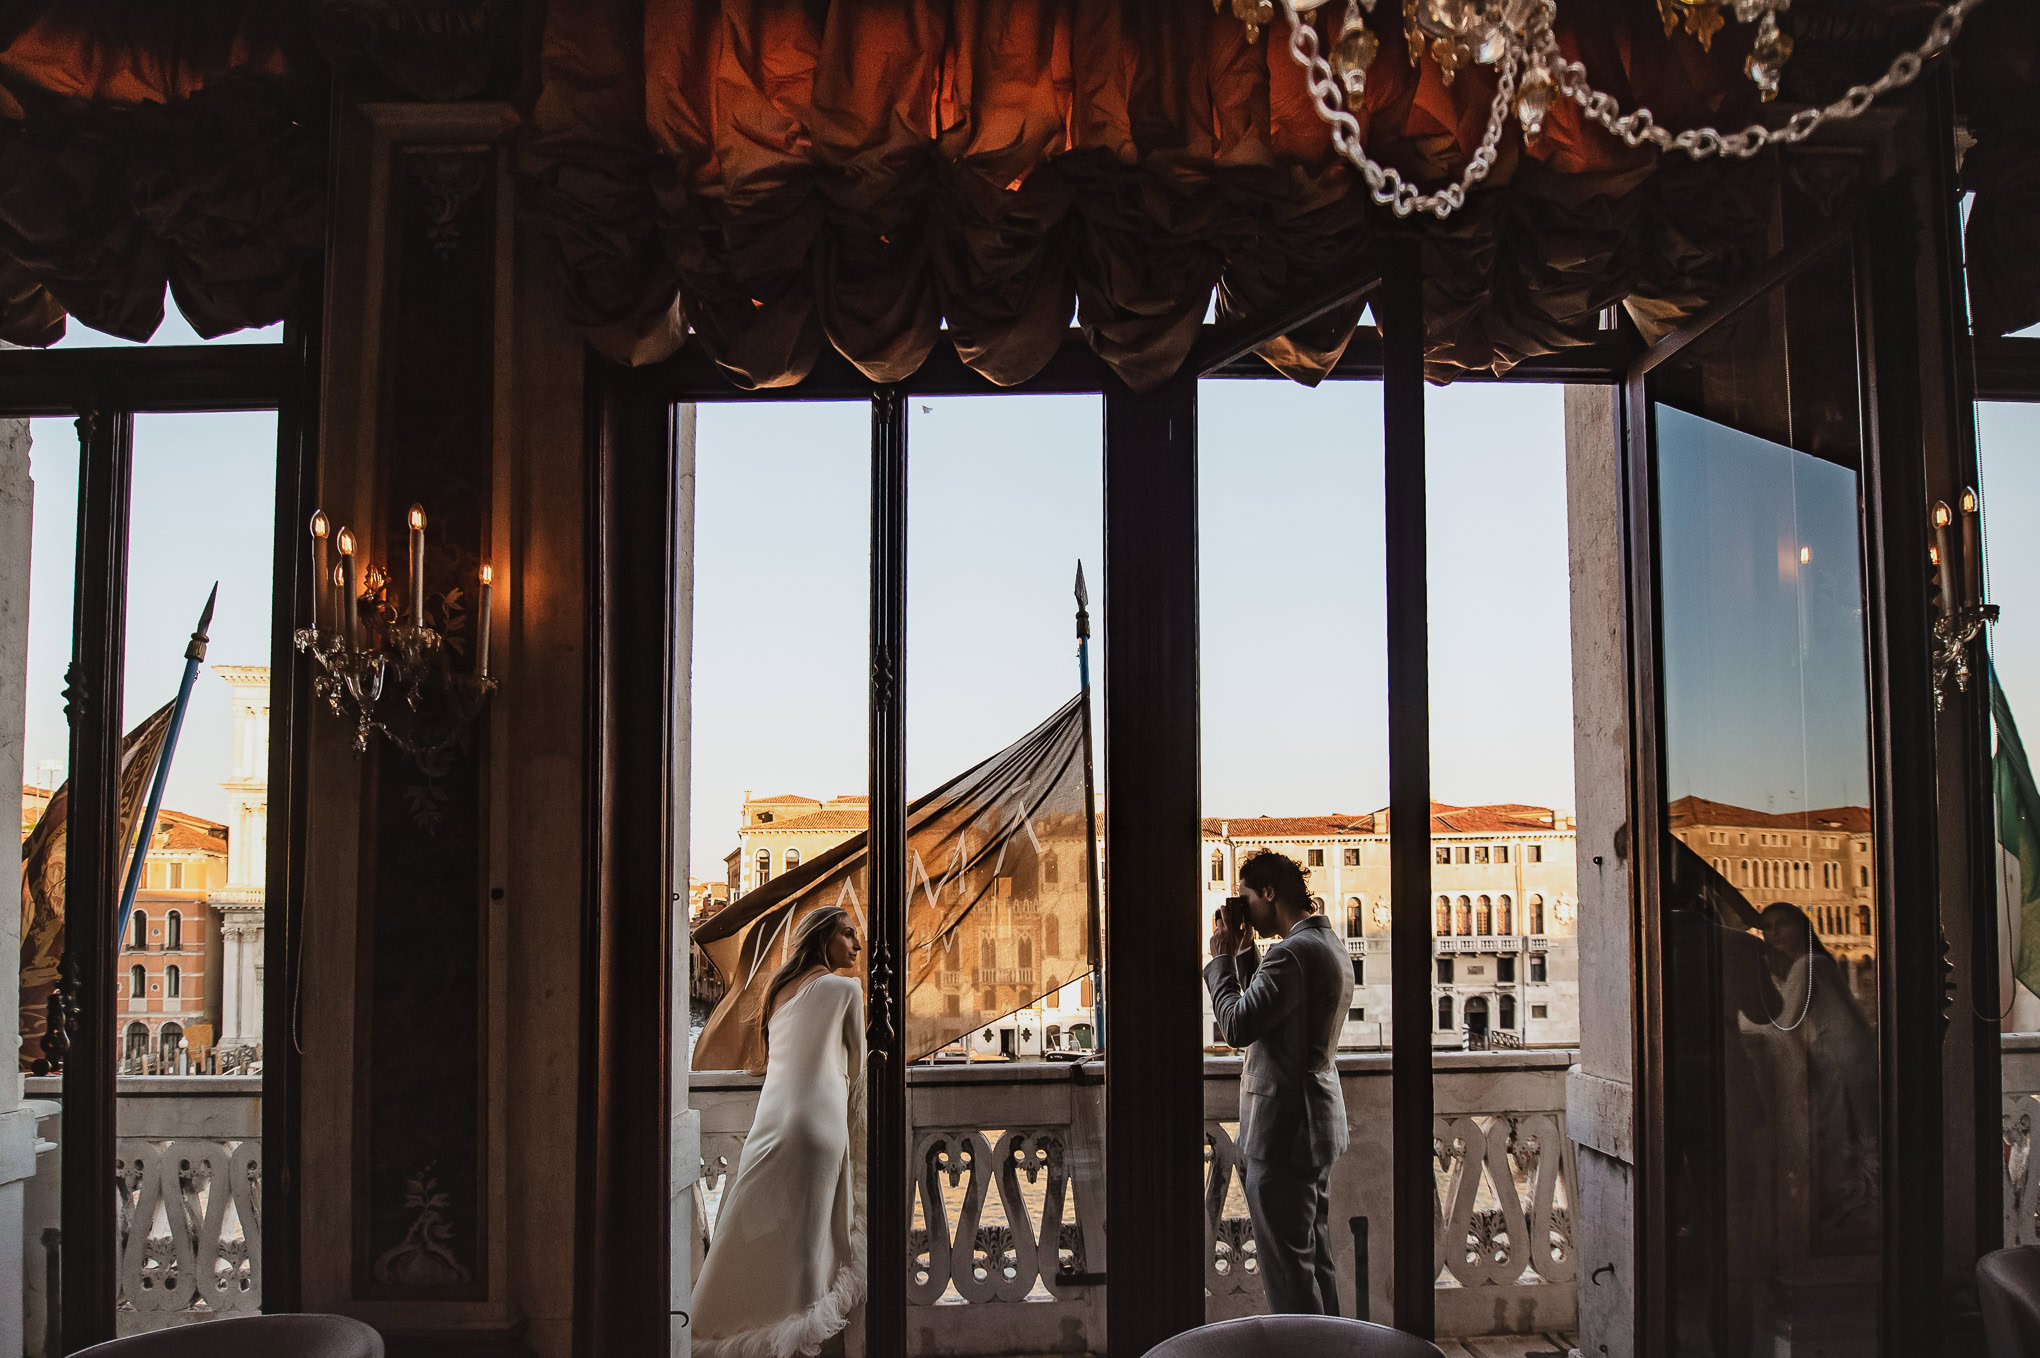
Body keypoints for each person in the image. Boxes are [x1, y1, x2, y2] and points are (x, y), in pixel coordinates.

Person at [693, 906, 867, 1357]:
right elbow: (859, 1075)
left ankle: (714, 1327)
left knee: (746, 1229)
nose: (857, 945)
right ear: (823, 938)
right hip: (820, 1129)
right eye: (849, 935)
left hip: (771, 1126)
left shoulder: (776, 990)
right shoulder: (847, 989)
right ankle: (799, 1343)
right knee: (811, 1246)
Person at [1204, 850, 1354, 1315]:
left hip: (1283, 1133)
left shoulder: (1293, 954)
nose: (1242, 908)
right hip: (1312, 1127)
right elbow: (1270, 1015)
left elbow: (1238, 1026)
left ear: (1269, 892)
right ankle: (1330, 1348)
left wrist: (1222, 961)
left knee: (1288, 1272)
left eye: (1246, 897)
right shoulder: (1323, 944)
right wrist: (1247, 952)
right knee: (1314, 1261)